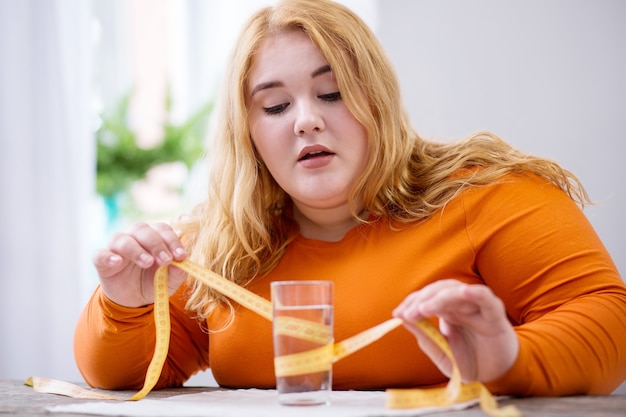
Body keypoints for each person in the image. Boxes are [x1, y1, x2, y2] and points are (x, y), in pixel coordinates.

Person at [75, 0, 626, 397]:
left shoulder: (488, 196)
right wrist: (125, 305)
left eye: (332, 92)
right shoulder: (220, 246)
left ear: (378, 99)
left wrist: (510, 360)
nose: (306, 121)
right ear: (248, 134)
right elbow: (121, 374)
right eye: (274, 107)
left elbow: (608, 323)